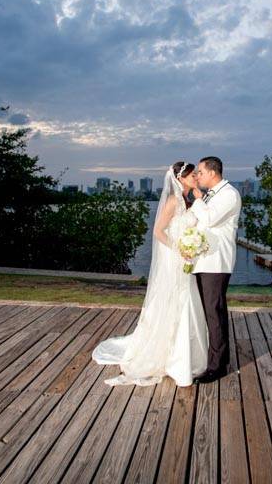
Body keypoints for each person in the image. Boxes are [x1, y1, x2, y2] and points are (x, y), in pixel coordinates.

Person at [91, 161, 209, 386]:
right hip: (175, 258)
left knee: (186, 302)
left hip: (185, 259)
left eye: (196, 174)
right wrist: (179, 249)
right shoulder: (174, 200)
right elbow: (158, 231)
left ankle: (186, 355)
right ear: (181, 178)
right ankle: (169, 355)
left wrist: (191, 244)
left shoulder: (188, 199)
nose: (195, 177)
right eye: (192, 175)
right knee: (174, 300)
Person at [190, 156, 242, 384]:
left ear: (212, 173)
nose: (197, 176)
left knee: (214, 311)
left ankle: (217, 366)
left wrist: (198, 199)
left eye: (200, 172)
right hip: (203, 260)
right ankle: (215, 357)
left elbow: (209, 219)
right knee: (208, 311)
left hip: (216, 262)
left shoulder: (230, 194)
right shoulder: (213, 194)